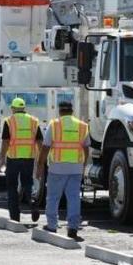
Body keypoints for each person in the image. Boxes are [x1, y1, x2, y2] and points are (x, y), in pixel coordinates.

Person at [36, 100, 89, 240]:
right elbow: (86, 148)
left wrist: (40, 165)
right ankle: (73, 227)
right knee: (74, 198)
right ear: (72, 111)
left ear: (60, 111)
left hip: (57, 168)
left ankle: (52, 225)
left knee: (53, 197)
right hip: (76, 167)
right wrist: (83, 165)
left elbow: (45, 147)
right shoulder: (82, 126)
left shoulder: (54, 125)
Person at [0, 97, 41, 222]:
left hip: (13, 158)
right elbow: (39, 141)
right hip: (29, 157)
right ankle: (32, 201)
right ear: (23, 109)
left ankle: (15, 216)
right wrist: (39, 159)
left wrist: (2, 157)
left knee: (12, 186)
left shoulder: (9, 121)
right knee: (27, 182)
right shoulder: (33, 121)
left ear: (13, 109)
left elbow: (6, 141)